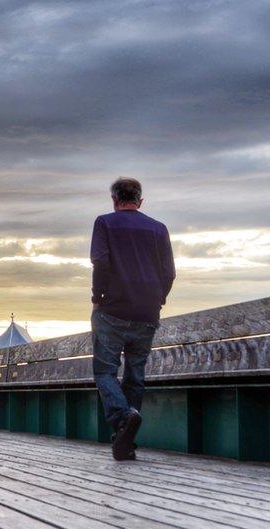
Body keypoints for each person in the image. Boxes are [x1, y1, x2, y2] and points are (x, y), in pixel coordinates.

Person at [90, 177, 176, 461]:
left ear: (114, 200)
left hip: (112, 310)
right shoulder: (159, 228)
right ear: (140, 201)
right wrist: (158, 298)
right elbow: (169, 273)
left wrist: (98, 296)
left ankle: (124, 416)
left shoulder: (104, 223)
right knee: (135, 375)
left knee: (105, 372)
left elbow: (100, 262)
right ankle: (124, 443)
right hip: (147, 313)